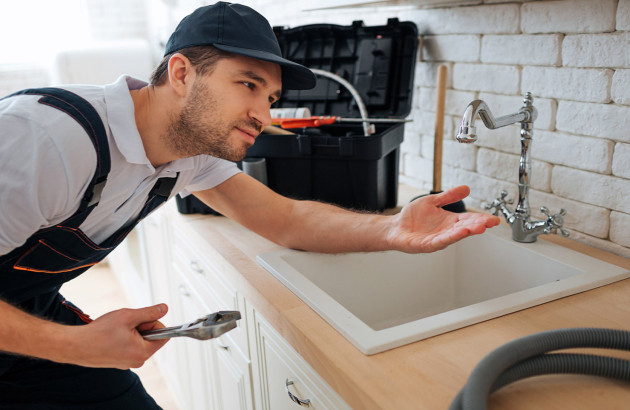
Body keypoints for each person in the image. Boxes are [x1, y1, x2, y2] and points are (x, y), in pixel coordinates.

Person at [0, 2, 500, 408]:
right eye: (248, 85)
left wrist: (391, 231)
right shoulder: (49, 138)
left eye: (272, 97)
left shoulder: (188, 153)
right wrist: (76, 346)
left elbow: (285, 218)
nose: (263, 114)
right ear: (181, 73)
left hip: (27, 316)